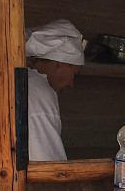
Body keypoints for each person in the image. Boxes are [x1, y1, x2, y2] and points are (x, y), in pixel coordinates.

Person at [24, 19, 84, 161]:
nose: (71, 84)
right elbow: (47, 162)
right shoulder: (40, 91)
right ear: (60, 63)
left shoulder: (27, 80)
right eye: (74, 74)